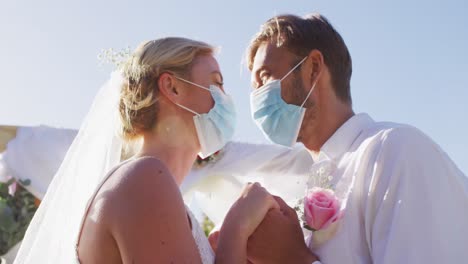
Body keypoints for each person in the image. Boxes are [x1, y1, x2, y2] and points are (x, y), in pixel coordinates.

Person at [14, 37, 279, 263]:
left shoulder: (155, 186)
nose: (225, 97)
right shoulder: (145, 177)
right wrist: (237, 228)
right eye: (217, 83)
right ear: (172, 87)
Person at [241, 13, 468, 263]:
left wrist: (293, 258)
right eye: (255, 89)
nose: (258, 98)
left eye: (265, 77)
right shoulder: (317, 181)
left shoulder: (395, 150)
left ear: (314, 67)